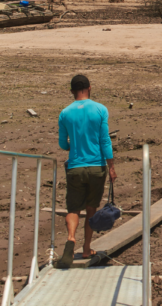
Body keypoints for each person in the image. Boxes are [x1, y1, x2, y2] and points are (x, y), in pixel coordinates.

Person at [55, 74, 117, 268]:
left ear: (72, 91)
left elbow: (62, 144)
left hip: (75, 167)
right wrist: (111, 166)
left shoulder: (65, 113)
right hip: (96, 166)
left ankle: (71, 238)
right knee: (91, 208)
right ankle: (87, 247)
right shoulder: (100, 109)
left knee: (73, 208)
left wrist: (74, 146)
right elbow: (104, 140)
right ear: (90, 87)